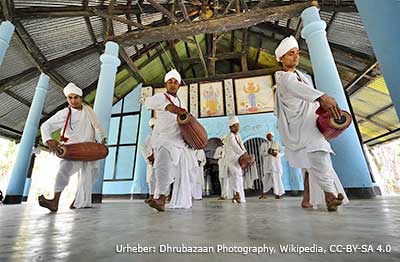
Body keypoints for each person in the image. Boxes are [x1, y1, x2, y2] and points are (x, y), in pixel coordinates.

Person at [274, 35, 348, 211]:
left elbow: (305, 90)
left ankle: (307, 199)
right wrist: (322, 97)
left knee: (309, 165)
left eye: (297, 53)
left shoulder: (302, 76)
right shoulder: (284, 77)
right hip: (300, 125)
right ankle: (330, 194)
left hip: (310, 122)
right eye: (291, 53)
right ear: (281, 58)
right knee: (319, 152)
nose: (296, 56)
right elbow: (296, 88)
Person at [38, 83, 106, 212]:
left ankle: (78, 200)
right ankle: (55, 202)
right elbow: (45, 126)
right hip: (72, 150)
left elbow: (97, 125)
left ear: (81, 97)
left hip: (89, 148)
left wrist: (102, 137)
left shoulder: (88, 110)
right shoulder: (64, 113)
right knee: (63, 173)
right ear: (67, 99)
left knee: (91, 174)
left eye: (76, 97)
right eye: (70, 98)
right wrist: (48, 139)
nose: (73, 100)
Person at [144, 69, 197, 211]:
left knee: (182, 172)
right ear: (166, 84)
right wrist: (174, 109)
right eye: (170, 82)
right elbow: (150, 104)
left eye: (175, 82)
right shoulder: (161, 97)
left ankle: (174, 197)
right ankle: (161, 198)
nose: (173, 84)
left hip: (180, 140)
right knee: (163, 167)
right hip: (165, 138)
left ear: (179, 85)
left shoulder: (181, 101)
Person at [224, 116, 246, 204]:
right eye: (234, 125)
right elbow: (235, 147)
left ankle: (239, 196)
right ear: (230, 127)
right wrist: (244, 154)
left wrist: (246, 153)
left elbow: (241, 145)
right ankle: (237, 194)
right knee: (236, 176)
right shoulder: (230, 136)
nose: (237, 127)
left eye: (238, 125)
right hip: (231, 160)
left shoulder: (238, 135)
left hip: (237, 160)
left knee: (239, 177)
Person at [259, 131, 285, 199]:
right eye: (268, 135)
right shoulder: (263, 144)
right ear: (266, 136)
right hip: (267, 165)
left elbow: (282, 152)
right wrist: (268, 152)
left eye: (270, 135)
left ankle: (278, 194)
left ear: (272, 136)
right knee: (266, 179)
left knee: (277, 179)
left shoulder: (276, 143)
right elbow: (261, 153)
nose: (269, 136)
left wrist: (277, 154)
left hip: (276, 165)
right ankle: (264, 193)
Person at [141, 118, 156, 204]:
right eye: (153, 126)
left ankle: (163, 196)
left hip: (161, 160)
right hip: (152, 161)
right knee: (151, 179)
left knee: (162, 178)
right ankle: (152, 196)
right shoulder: (150, 136)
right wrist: (149, 156)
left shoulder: (163, 135)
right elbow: (143, 147)